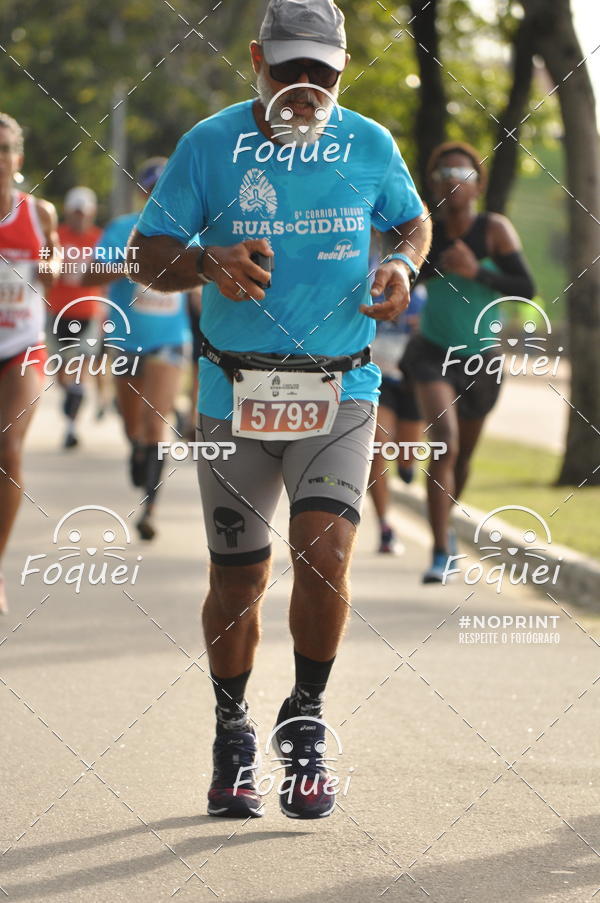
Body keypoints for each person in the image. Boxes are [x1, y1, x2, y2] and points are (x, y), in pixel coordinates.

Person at [129, 0, 431, 819]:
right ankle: (233, 728)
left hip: (342, 386)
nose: (306, 89)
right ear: (257, 59)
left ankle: (305, 721)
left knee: (326, 547)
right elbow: (146, 256)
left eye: (322, 74)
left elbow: (413, 221)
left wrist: (402, 265)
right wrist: (207, 262)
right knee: (240, 580)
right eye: (290, 70)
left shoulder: (368, 144)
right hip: (235, 393)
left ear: (341, 71)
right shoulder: (209, 145)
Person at [401, 141, 535, 583]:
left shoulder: (494, 229)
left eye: (461, 176)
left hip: (482, 359)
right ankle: (440, 551)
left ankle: (449, 527)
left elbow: (525, 287)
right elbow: (400, 276)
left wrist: (476, 271)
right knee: (445, 444)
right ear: (433, 186)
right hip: (433, 352)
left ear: (477, 185)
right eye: (443, 176)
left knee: (461, 461)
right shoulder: (424, 231)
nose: (451, 184)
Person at [82, 158, 189, 541]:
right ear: (143, 191)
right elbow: (88, 275)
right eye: (152, 188)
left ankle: (150, 509)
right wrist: (134, 262)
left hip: (170, 341)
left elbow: (200, 288)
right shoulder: (123, 229)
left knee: (155, 420)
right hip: (126, 340)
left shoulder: (188, 230)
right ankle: (138, 451)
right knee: (133, 426)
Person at [0, 113, 58, 614]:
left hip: (24, 345)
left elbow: (53, 274)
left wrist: (52, 265)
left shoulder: (39, 213)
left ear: (17, 159)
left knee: (9, 447)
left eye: (4, 149)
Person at [368, 282, 426, 554]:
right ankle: (385, 526)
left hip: (413, 380)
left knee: (405, 460)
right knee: (378, 448)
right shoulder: (368, 283)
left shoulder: (426, 292)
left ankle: (407, 467)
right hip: (378, 380)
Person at [48, 186, 103, 449]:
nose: (80, 217)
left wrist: (105, 312)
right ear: (69, 212)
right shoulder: (56, 235)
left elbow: (105, 279)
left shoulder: (99, 238)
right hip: (56, 312)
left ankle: (71, 427)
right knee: (61, 374)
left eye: (85, 213)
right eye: (76, 212)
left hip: (87, 314)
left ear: (91, 213)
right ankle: (71, 396)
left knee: (79, 369)